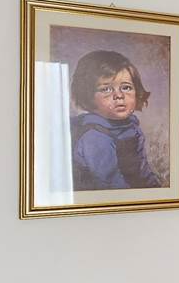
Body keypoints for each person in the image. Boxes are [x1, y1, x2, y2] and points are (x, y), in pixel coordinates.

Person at [69, 50, 162, 190]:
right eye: (106, 89)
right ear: (88, 96)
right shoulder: (94, 136)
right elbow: (112, 184)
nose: (119, 95)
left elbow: (143, 172)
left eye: (126, 87)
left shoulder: (132, 128)